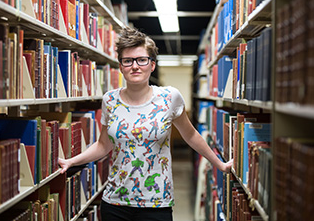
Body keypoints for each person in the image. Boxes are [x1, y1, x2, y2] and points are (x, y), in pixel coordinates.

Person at [58, 26, 233, 221]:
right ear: (121, 65)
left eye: (142, 60)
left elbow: (191, 135)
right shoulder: (110, 100)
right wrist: (71, 161)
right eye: (128, 61)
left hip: (156, 203)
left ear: (152, 65)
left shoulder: (169, 97)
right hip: (115, 202)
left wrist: (220, 164)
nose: (135, 66)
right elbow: (103, 145)